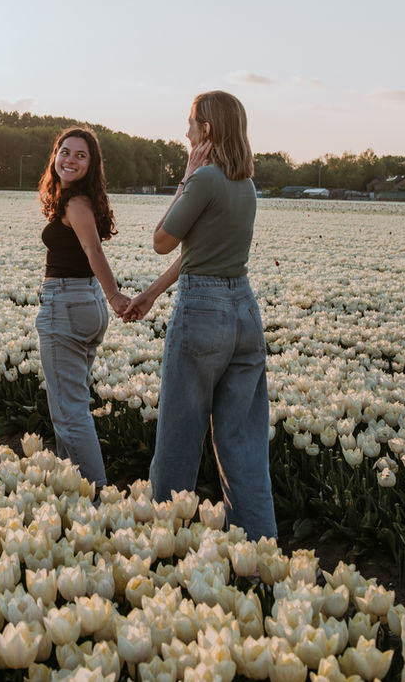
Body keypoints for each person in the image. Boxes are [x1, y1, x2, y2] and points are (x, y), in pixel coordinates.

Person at [122, 91, 277, 539]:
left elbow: (162, 241)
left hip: (202, 313)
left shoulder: (204, 179)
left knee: (179, 438)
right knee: (243, 444)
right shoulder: (245, 186)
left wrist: (184, 179)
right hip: (244, 312)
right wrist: (152, 293)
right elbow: (198, 254)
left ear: (206, 130)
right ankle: (259, 555)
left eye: (190, 122)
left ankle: (167, 544)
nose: (185, 130)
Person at [36, 127, 130, 492]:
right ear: (55, 156)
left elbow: (94, 252)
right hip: (82, 305)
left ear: (92, 165)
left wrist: (116, 297)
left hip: (68, 305)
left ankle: (94, 497)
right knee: (70, 407)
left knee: (70, 413)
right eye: (65, 151)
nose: (70, 159)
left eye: (80, 155)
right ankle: (70, 489)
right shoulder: (75, 199)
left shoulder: (75, 202)